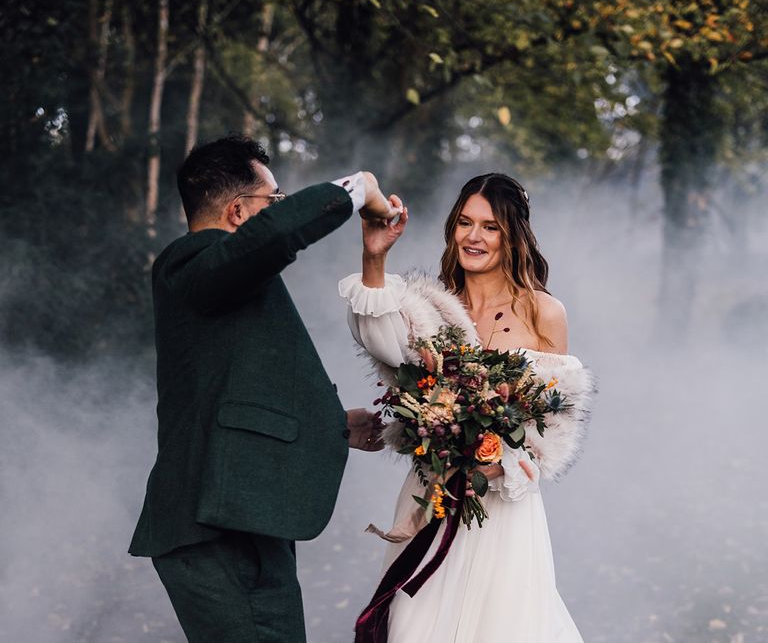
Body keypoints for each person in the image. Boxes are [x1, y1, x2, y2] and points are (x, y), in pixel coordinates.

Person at [129, 135, 399, 643]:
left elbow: (232, 393)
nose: (280, 208)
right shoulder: (191, 263)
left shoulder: (219, 284)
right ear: (237, 212)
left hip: (239, 517)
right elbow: (275, 237)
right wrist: (357, 189)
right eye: (272, 201)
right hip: (216, 525)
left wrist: (334, 425)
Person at [339, 173, 594, 642]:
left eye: (490, 226)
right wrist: (374, 255)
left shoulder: (544, 312)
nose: (474, 237)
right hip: (430, 497)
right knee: (415, 627)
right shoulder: (428, 308)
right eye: (464, 222)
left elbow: (550, 430)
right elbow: (376, 334)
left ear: (512, 235)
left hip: (502, 510)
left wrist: (490, 468)